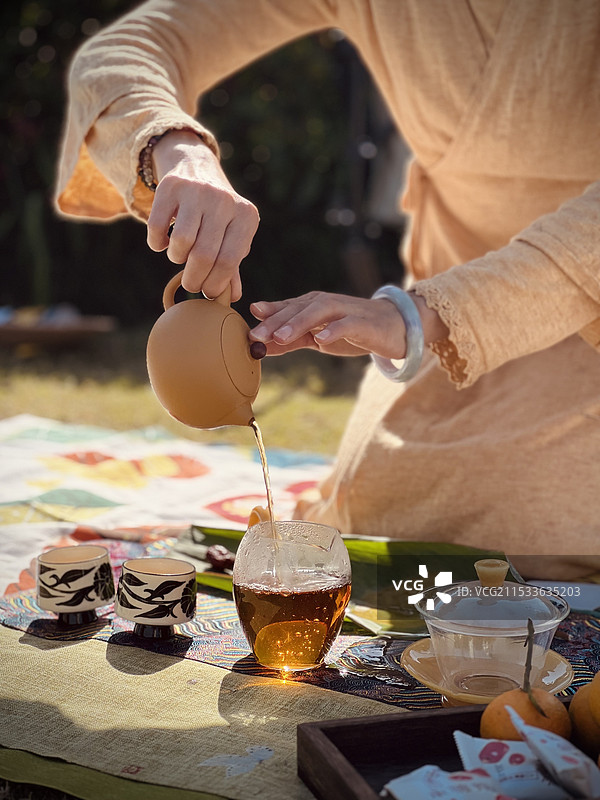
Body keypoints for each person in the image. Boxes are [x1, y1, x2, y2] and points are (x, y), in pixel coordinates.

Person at [55, 0, 600, 578]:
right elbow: (123, 50)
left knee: (532, 525)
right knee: (377, 510)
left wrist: (421, 317)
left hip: (556, 300)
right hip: (439, 305)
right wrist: (177, 149)